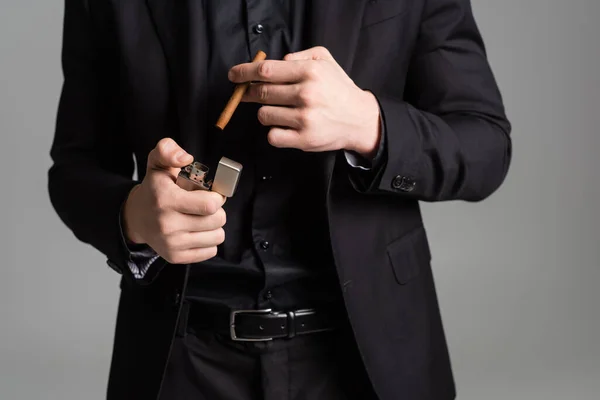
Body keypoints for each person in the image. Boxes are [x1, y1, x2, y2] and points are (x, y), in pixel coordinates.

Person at [48, 0, 511, 399]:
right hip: (180, 359)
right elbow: (75, 169)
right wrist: (134, 217)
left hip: (369, 357)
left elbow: (485, 146)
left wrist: (369, 125)